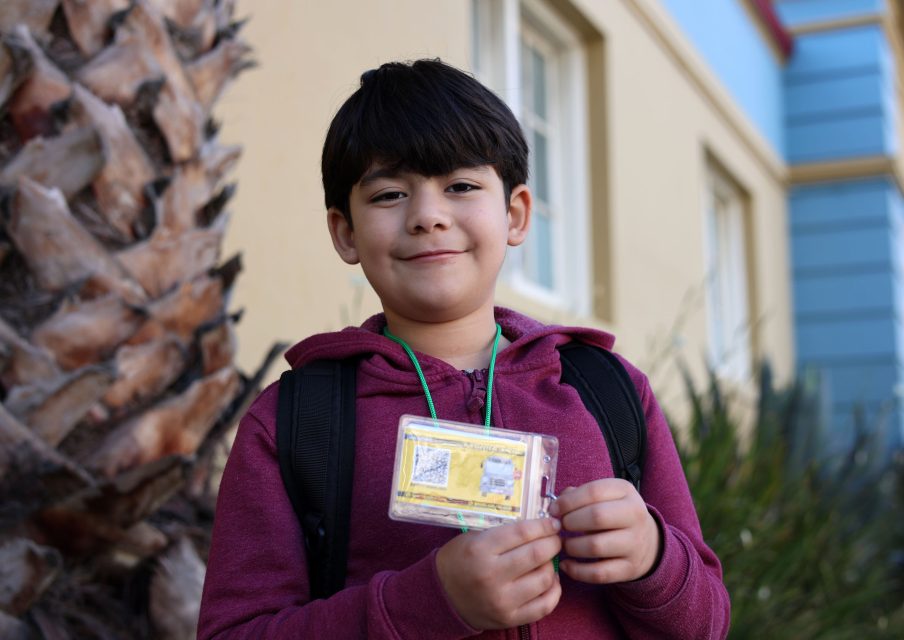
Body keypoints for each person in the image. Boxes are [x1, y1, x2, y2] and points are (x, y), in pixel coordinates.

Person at [197, 59, 730, 639]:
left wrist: (655, 558)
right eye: (390, 194)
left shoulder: (606, 389)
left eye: (461, 187)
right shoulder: (296, 422)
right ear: (345, 232)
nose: (428, 216)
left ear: (516, 214)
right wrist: (426, 603)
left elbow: (707, 622)